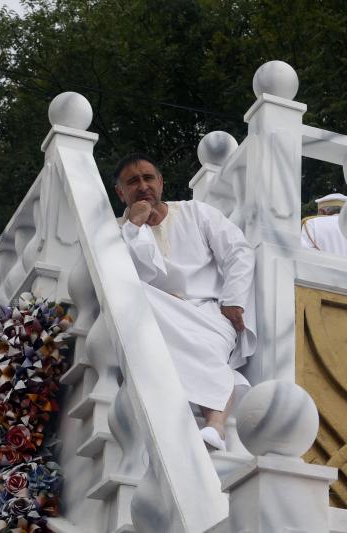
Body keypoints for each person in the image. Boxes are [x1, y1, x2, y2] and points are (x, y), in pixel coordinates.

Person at [114, 153, 256, 451]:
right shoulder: (118, 232)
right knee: (135, 295)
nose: (142, 186)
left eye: (148, 178)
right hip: (159, 313)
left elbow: (238, 252)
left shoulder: (196, 213)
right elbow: (132, 275)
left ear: (161, 182)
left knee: (207, 345)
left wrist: (233, 301)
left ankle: (215, 427)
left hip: (209, 313)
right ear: (120, 192)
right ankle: (217, 421)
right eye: (133, 182)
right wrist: (135, 226)